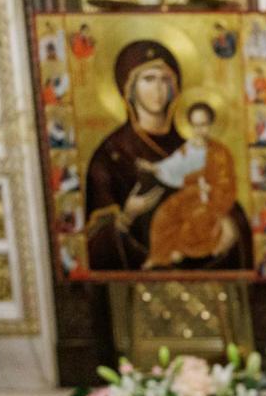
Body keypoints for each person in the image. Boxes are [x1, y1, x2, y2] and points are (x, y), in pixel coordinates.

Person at [84, 40, 251, 271]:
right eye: (148, 79)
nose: (158, 88)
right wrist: (127, 216)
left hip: (202, 262)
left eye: (165, 80)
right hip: (136, 278)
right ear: (129, 87)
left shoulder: (193, 146)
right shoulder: (111, 154)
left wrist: (229, 222)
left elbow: (227, 197)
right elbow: (94, 235)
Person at [139, 102, 239, 270]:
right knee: (163, 214)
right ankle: (158, 255)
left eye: (204, 124)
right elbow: (173, 165)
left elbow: (227, 181)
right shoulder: (188, 147)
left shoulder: (220, 152)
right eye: (196, 125)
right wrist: (153, 167)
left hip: (212, 199)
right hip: (190, 193)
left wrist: (211, 189)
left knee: (196, 218)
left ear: (211, 124)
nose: (200, 130)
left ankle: (181, 250)